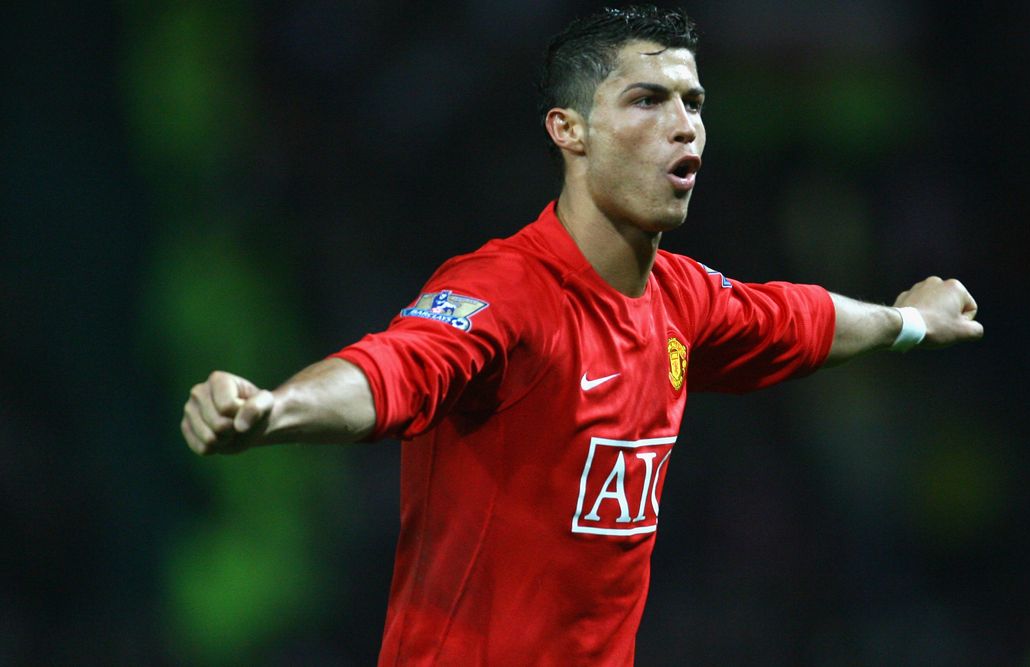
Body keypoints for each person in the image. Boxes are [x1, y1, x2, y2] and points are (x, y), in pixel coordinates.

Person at [180, 6, 983, 665]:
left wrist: (912, 321)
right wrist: (274, 411)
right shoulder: (504, 290)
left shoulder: (683, 300)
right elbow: (392, 370)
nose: (685, 127)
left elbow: (801, 319)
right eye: (647, 100)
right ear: (569, 130)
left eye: (694, 103)